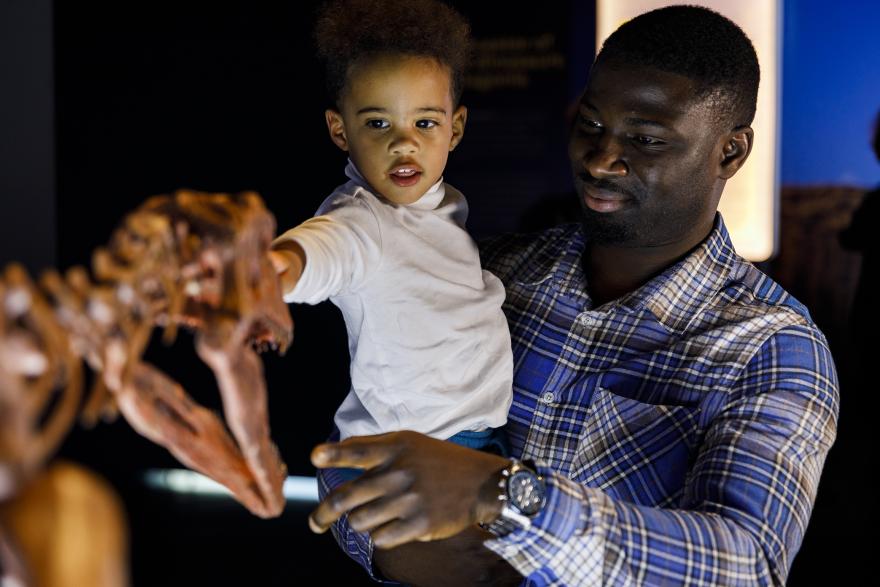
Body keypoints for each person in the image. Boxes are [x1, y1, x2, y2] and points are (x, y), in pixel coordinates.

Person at [308, 5, 840, 586]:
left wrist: (502, 495)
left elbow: (748, 566)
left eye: (645, 139)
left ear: (730, 152)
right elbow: (353, 453)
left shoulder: (771, 346)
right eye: (590, 124)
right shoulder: (493, 273)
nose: (601, 159)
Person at [269, 0, 513, 462]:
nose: (404, 142)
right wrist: (273, 269)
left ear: (455, 128)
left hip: (479, 440)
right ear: (340, 131)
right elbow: (324, 248)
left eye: (425, 122)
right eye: (378, 123)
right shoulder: (364, 219)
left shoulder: (440, 205)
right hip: (418, 454)